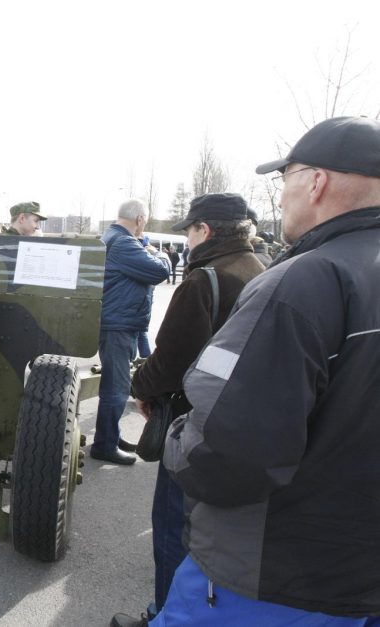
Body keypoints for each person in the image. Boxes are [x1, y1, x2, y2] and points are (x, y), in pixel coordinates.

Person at [150, 116, 380, 624]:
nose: (279, 197)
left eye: (285, 178)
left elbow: (231, 451)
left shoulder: (305, 282)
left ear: (316, 181)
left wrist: (175, 440)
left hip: (273, 578)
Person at [110, 193, 265, 627]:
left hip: (193, 424)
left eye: (190, 231)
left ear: (206, 231)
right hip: (243, 424)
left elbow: (170, 359)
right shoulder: (263, 271)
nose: (189, 240)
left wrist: (141, 387)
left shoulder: (203, 280)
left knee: (173, 525)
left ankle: (165, 613)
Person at [91, 199, 168, 465]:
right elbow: (159, 271)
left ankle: (110, 436)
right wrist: (159, 253)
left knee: (117, 385)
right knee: (116, 389)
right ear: (139, 219)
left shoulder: (113, 238)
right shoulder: (124, 243)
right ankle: (104, 445)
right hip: (118, 325)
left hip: (118, 323)